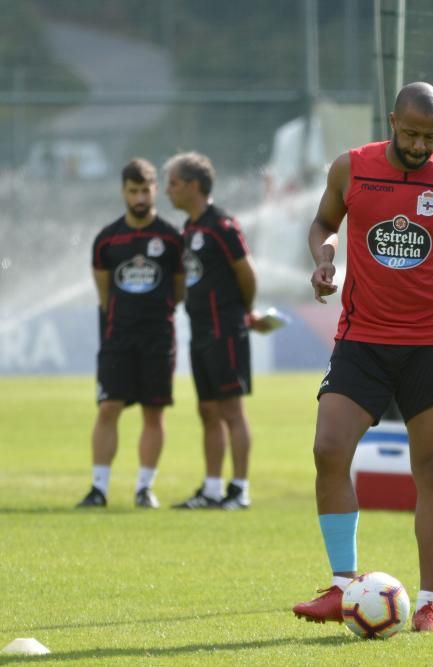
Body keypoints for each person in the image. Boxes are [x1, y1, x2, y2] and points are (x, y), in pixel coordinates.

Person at [292, 82, 433, 632]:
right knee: (328, 449)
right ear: (392, 121)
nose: (418, 145)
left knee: (432, 470)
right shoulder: (352, 168)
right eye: (410, 133)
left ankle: (430, 603)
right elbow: (324, 223)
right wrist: (324, 261)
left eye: (429, 136)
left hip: (430, 341)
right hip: (361, 337)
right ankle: (342, 589)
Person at [76, 158, 186, 509]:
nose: (139, 197)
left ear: (155, 190)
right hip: (117, 337)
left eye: (145, 190)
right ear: (123, 191)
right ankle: (98, 489)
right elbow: (104, 293)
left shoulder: (171, 238)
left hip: (158, 336)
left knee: (154, 411)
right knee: (108, 407)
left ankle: (144, 488)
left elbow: (179, 290)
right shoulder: (107, 240)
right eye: (133, 190)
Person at [165, 152, 268, 510]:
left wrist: (245, 312)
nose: (168, 191)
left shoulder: (222, 225)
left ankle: (239, 490)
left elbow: (247, 272)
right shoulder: (190, 229)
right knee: (207, 410)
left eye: (174, 183)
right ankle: (211, 490)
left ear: (194, 185)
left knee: (231, 410)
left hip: (225, 329)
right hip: (200, 330)